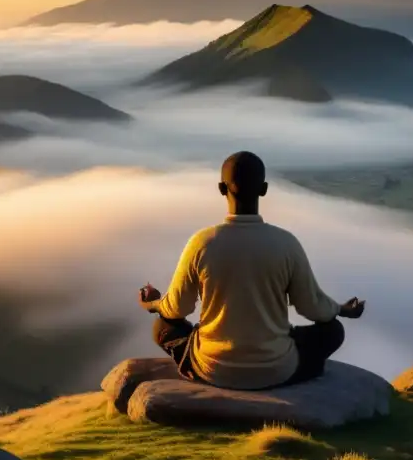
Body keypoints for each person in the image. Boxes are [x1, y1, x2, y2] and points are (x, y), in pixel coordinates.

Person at [138, 150, 365, 391]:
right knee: (332, 331)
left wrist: (151, 304)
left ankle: (207, 368)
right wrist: (341, 310)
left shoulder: (201, 243)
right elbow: (313, 307)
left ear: (221, 189)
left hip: (212, 368)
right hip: (277, 368)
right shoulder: (286, 243)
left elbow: (176, 309)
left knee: (162, 327)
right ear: (264, 189)